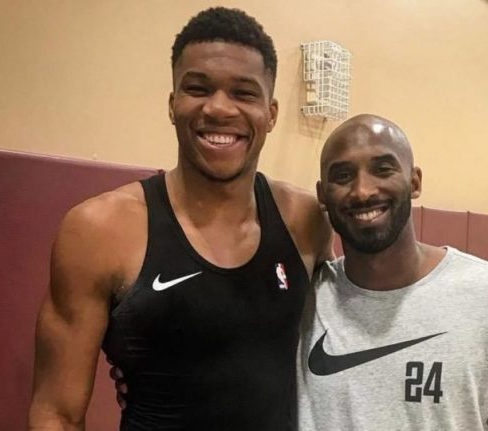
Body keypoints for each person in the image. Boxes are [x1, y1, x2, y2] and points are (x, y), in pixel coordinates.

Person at [28, 8, 332, 430]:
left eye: (244, 93)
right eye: (198, 88)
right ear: (173, 105)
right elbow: (56, 413)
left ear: (272, 113)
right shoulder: (100, 231)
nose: (219, 108)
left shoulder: (306, 220)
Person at [296, 114, 488, 430]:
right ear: (322, 195)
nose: (363, 191)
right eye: (343, 175)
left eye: (383, 169)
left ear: (414, 182)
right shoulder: (298, 302)